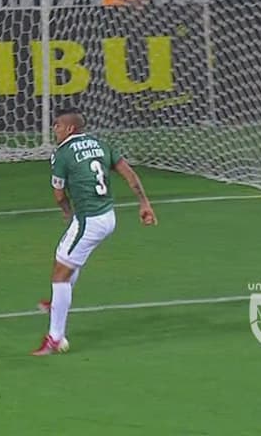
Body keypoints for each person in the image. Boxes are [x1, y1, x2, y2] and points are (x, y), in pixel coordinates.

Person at [32, 108, 157, 355]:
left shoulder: (62, 154)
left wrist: (66, 211)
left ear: (70, 128)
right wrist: (144, 203)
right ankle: (57, 303)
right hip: (107, 216)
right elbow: (129, 174)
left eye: (57, 125)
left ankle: (55, 338)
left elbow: (59, 194)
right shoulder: (101, 145)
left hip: (89, 221)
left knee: (60, 275)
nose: (54, 129)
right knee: (64, 258)